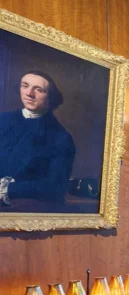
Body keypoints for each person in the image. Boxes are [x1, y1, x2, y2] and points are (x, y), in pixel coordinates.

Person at [0, 71, 76, 207]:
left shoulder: (61, 138)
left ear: (50, 97)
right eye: (25, 86)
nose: (29, 94)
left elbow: (54, 188)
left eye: (39, 90)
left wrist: (8, 189)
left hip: (24, 208)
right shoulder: (3, 120)